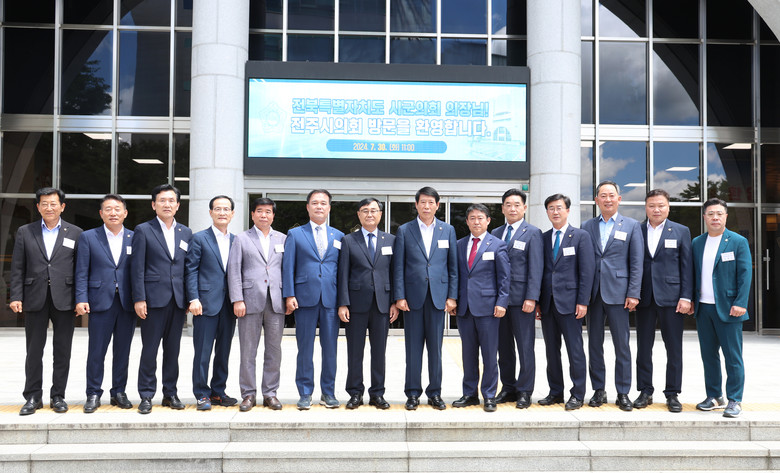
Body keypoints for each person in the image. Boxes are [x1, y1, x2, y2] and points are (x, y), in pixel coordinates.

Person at [10, 187, 83, 415]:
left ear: (62, 206)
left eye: (53, 204)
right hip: (35, 297)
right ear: (38, 207)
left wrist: (81, 299)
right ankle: (33, 396)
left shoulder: (76, 233)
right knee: (33, 350)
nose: (49, 207)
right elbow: (18, 267)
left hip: (65, 299)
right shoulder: (25, 231)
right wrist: (16, 296)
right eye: (44, 203)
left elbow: (81, 269)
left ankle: (58, 396)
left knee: (62, 350)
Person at [393, 186, 458, 411]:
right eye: (423, 202)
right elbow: (398, 267)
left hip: (438, 298)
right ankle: (412, 393)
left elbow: (453, 267)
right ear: (416, 205)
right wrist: (399, 296)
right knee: (413, 349)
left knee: (436, 349)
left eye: (431, 202)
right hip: (412, 299)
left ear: (437, 205)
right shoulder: (405, 230)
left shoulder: (447, 230)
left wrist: (452, 296)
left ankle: (435, 393)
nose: (427, 206)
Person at [582, 181, 643, 411]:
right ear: (596, 200)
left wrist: (634, 293)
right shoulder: (587, 226)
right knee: (594, 344)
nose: (607, 199)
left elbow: (636, 262)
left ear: (619, 198)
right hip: (593, 294)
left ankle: (623, 392)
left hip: (619, 293)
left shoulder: (631, 225)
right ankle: (599, 389)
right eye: (603, 195)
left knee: (622, 345)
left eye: (611, 195)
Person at [131, 184, 192, 414]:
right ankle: (146, 395)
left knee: (173, 350)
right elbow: (137, 268)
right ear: (153, 204)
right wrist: (139, 298)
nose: (167, 204)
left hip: (177, 300)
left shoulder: (185, 232)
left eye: (171, 200)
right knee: (150, 349)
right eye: (162, 200)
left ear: (178, 205)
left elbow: (187, 268)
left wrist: (189, 298)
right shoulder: (143, 230)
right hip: (153, 300)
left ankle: (170, 393)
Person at [283, 190, 344, 410]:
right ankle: (305, 392)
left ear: (329, 208)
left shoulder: (339, 236)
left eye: (323, 203)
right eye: (315, 203)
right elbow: (288, 266)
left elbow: (342, 270)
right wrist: (289, 294)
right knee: (305, 348)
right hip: (304, 298)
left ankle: (328, 392)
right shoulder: (295, 234)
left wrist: (343, 301)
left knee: (330, 349)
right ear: (308, 207)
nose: (319, 206)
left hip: (330, 299)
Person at [75, 194, 135, 413]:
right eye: (108, 209)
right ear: (101, 214)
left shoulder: (134, 237)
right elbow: (81, 270)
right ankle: (93, 393)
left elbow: (138, 271)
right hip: (99, 301)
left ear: (125, 213)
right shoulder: (89, 237)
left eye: (117, 209)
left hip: (126, 302)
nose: (113, 213)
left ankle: (118, 391)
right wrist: (81, 298)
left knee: (123, 350)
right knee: (96, 350)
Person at [692, 198, 751, 418]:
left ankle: (735, 399)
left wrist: (741, 302)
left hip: (729, 308)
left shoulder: (737, 241)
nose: (715, 217)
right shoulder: (697, 242)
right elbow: (693, 273)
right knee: (709, 356)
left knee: (733, 357)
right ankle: (714, 396)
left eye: (719, 213)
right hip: (704, 308)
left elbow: (745, 274)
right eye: (710, 214)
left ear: (725, 216)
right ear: (704, 217)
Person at [634, 189, 693, 413]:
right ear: (646, 208)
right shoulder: (637, 230)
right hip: (644, 297)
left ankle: (672, 393)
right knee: (643, 347)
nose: (656, 210)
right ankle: (645, 390)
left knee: (674, 348)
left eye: (661, 205)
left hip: (672, 298)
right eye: (652, 206)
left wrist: (686, 296)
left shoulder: (681, 231)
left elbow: (687, 266)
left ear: (668, 207)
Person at [337, 198, 398, 410]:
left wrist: (395, 302)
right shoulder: (348, 240)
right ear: (359, 214)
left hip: (382, 304)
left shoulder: (391, 240)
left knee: (379, 351)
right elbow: (343, 273)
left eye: (373, 210)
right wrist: (343, 303)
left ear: (380, 214)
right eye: (365, 210)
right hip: (355, 305)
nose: (369, 214)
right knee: (355, 351)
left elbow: (395, 272)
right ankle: (355, 393)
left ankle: (377, 393)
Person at [227, 197, 286, 412]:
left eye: (268, 211)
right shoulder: (242, 239)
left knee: (274, 350)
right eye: (259, 211)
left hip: (276, 301)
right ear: (252, 215)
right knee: (248, 350)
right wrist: (237, 299)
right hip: (249, 301)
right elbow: (234, 271)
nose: (264, 215)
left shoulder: (283, 238)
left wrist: (289, 297)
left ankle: (270, 393)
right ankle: (248, 394)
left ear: (273, 216)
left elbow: (287, 270)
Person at [537, 194, 595, 410]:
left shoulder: (580, 236)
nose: (555, 212)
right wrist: (538, 301)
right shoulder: (543, 238)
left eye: (559, 208)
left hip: (571, 304)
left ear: (568, 211)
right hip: (548, 303)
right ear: (547, 212)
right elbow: (540, 271)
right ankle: (555, 392)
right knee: (551, 351)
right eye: (551, 208)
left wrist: (583, 301)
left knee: (575, 350)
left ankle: (577, 394)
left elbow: (587, 272)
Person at [452, 204, 509, 412]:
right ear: (467, 222)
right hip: (464, 308)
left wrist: (502, 302)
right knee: (468, 354)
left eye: (480, 218)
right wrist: (453, 299)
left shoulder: (498, 245)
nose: (476, 222)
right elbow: (455, 274)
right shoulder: (459, 244)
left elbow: (504, 277)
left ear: (488, 221)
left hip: (488, 308)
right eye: (472, 218)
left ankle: (489, 395)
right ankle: (469, 394)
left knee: (489, 354)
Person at [491, 188, 543, 408]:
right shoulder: (495, 232)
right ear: (502, 208)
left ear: (524, 208)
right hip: (499, 301)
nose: (512, 209)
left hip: (522, 301)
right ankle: (508, 387)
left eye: (517, 205)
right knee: (503, 348)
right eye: (508, 205)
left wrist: (532, 297)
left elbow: (536, 268)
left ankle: (525, 390)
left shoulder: (533, 233)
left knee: (525, 347)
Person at [185, 195, 237, 411]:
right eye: (218, 209)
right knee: (203, 352)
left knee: (223, 351)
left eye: (226, 209)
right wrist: (193, 298)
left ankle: (218, 391)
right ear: (210, 212)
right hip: (205, 304)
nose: (222, 213)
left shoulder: (236, 240)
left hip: (229, 304)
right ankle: (201, 394)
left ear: (232, 214)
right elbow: (191, 270)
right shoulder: (199, 238)